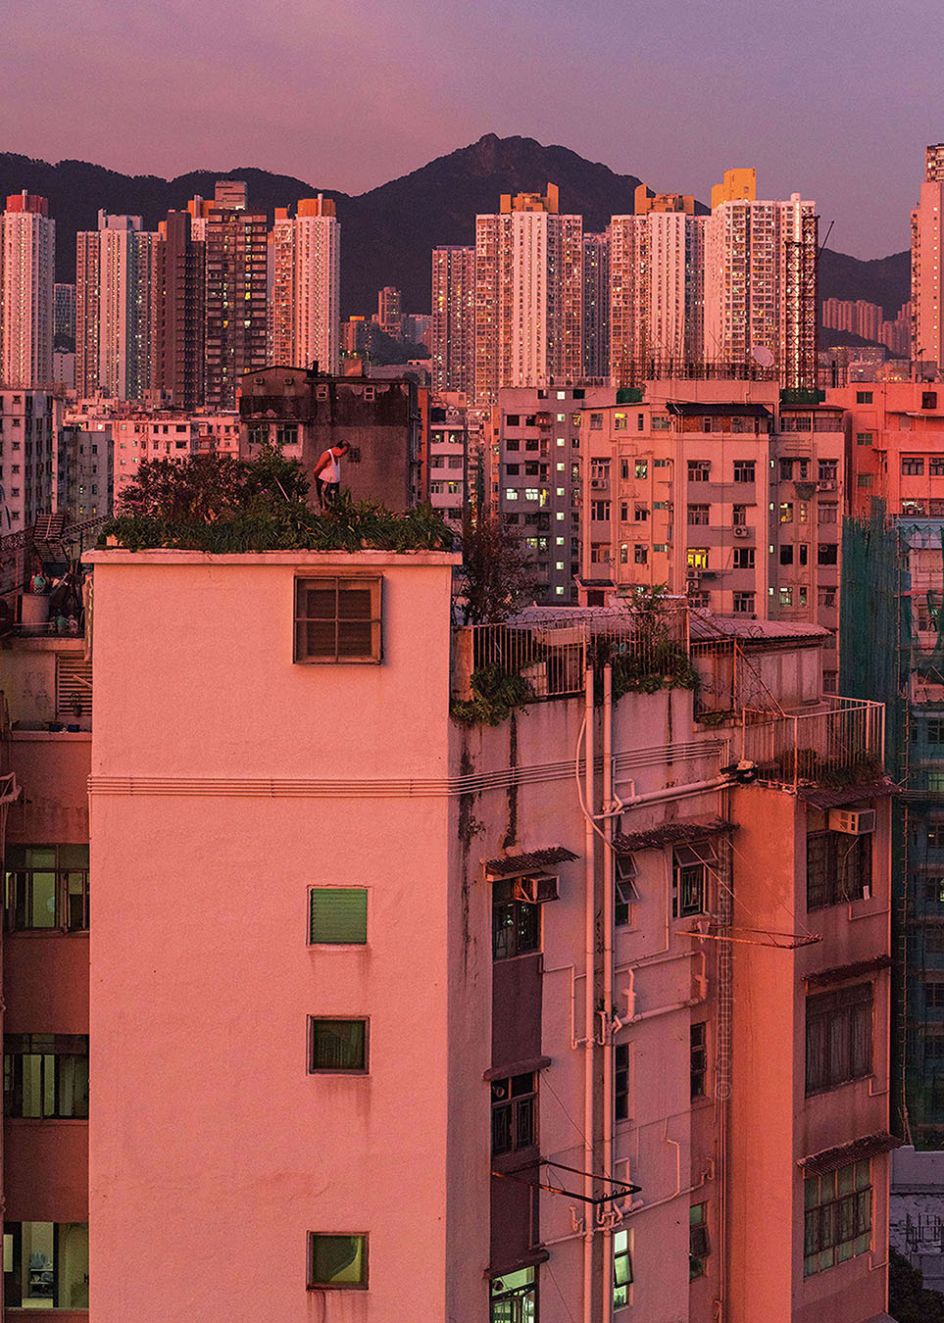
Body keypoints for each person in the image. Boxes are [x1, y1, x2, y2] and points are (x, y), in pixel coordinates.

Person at [313, 440, 350, 510]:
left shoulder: (337, 457)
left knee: (336, 506)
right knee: (326, 507)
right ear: (337, 448)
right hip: (325, 484)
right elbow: (316, 470)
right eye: (343, 452)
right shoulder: (327, 455)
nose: (343, 455)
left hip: (334, 485)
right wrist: (318, 481)